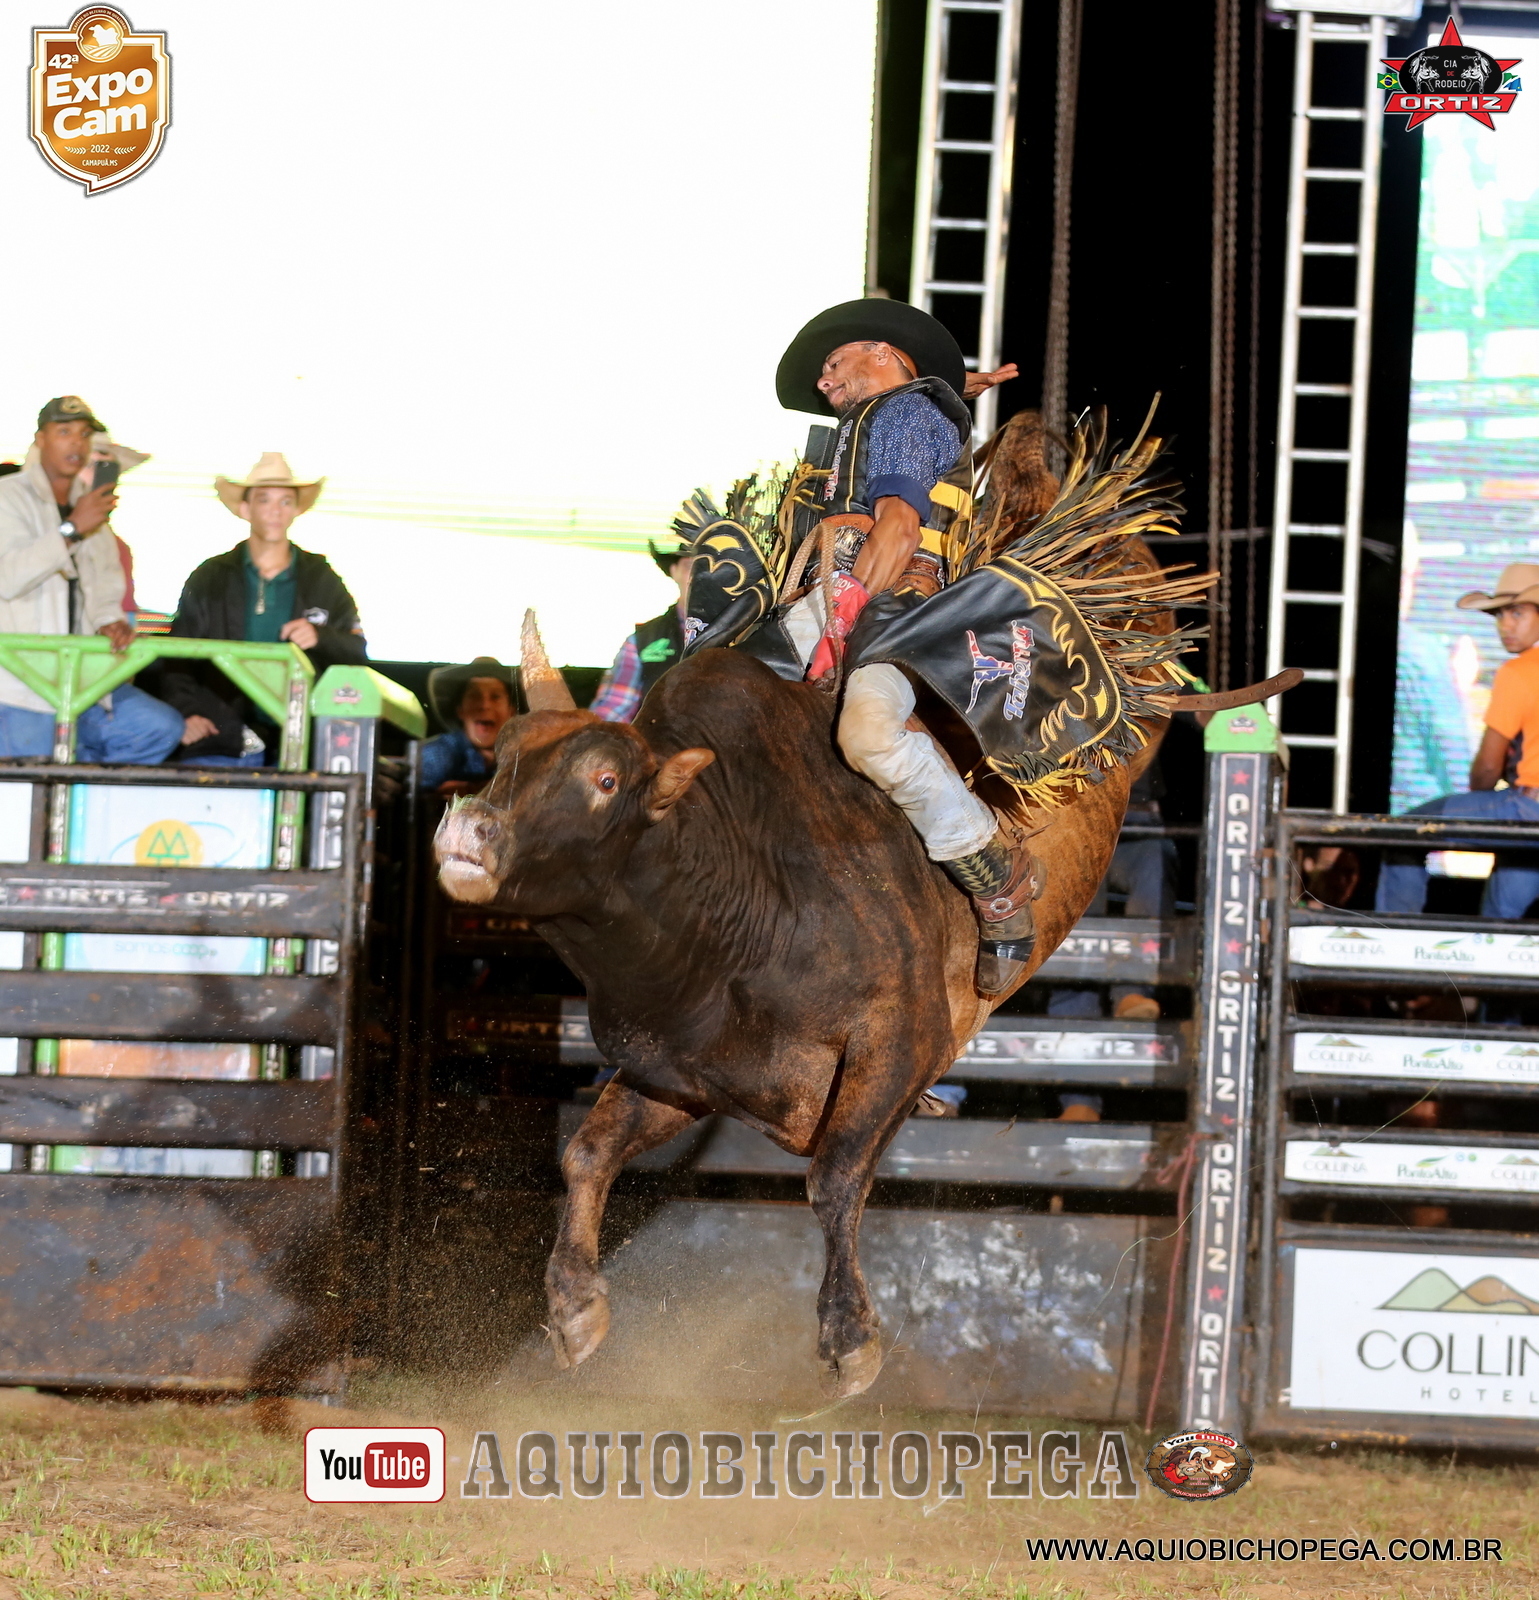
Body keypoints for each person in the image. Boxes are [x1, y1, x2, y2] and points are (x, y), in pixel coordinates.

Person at [687, 300, 1035, 995]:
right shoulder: (895, 413)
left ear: (880, 352)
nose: (824, 383)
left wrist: (844, 614)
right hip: (830, 598)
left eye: (833, 364)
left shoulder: (903, 413)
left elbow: (899, 528)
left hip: (887, 605)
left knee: (869, 734)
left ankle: (996, 878)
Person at [0, 396, 183, 764]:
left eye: (83, 435)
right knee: (27, 798)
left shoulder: (93, 510)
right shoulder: (8, 495)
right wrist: (71, 530)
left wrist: (110, 622)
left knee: (157, 728)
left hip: (82, 681)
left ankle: (91, 803)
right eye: (64, 432)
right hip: (19, 684)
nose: (76, 443)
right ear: (40, 439)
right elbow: (7, 578)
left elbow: (104, 589)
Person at [155, 453, 367, 765]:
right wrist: (188, 713)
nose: (275, 511)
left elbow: (357, 651)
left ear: (296, 509)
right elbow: (176, 655)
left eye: (284, 502)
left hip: (302, 737)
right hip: (223, 733)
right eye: (264, 500)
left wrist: (320, 637)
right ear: (245, 509)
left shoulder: (321, 577)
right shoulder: (210, 577)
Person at [1376, 563, 1539, 918]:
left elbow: (1487, 765)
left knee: (1404, 833)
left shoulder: (1519, 671)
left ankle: (1393, 943)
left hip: (1525, 808)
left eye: (1517, 612)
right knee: (1501, 921)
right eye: (1499, 615)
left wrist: (1479, 796)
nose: (1505, 625)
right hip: (1530, 819)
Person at [590, 538, 693, 722]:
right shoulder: (641, 641)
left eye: (712, 567)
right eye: (690, 566)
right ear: (674, 571)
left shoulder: (746, 634)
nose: (699, 575)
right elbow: (614, 710)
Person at [420, 657, 520, 792]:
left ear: (511, 711)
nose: (484, 706)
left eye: (495, 697)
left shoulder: (526, 754)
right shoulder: (438, 752)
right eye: (474, 696)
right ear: (460, 710)